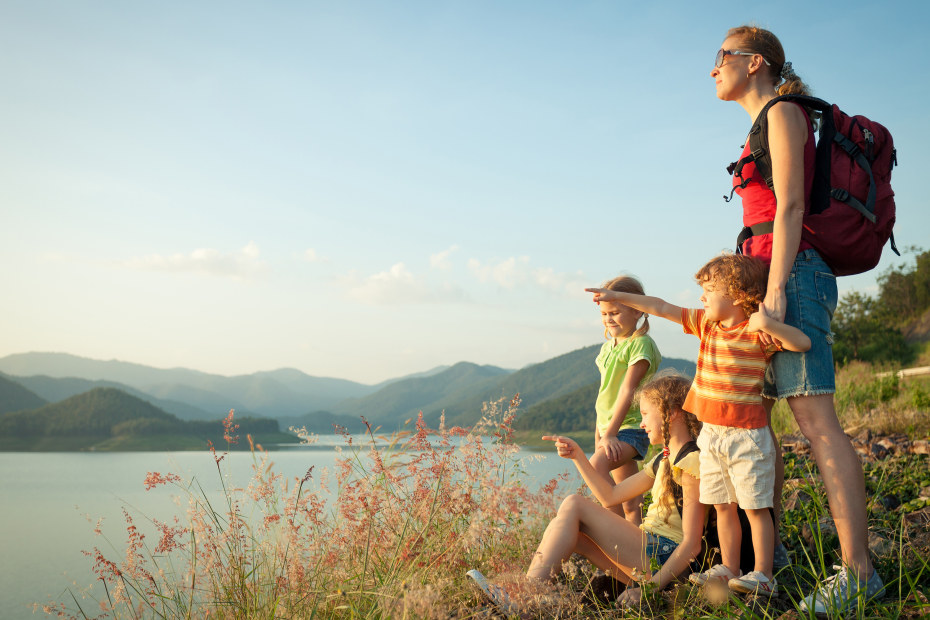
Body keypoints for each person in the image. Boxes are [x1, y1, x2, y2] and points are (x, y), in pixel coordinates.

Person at [710, 25, 885, 613]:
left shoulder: (783, 112)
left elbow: (788, 205)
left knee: (817, 423)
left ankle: (859, 573)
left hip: (792, 281)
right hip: (763, 280)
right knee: (757, 426)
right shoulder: (759, 124)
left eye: (722, 57)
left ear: (754, 62)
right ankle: (771, 560)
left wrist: (777, 291)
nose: (714, 69)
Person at [586, 253, 811, 597]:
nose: (702, 298)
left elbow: (802, 343)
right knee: (723, 505)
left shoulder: (756, 332)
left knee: (754, 507)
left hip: (747, 436)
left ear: (736, 295)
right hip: (711, 436)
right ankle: (729, 568)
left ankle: (764, 573)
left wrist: (769, 325)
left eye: (709, 290)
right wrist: (617, 297)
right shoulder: (707, 325)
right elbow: (660, 306)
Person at [467, 373, 704, 612]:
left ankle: (524, 595)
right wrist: (578, 457)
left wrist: (649, 588)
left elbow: (692, 544)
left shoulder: (690, 462)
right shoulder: (662, 460)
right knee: (571, 532)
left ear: (672, 413)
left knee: (574, 504)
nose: (641, 424)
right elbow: (610, 496)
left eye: (644, 414)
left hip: (665, 560)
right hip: (649, 554)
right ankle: (527, 601)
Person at [589, 275, 661, 524]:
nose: (608, 319)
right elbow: (604, 393)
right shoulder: (608, 348)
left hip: (629, 427)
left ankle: (616, 536)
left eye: (615, 312)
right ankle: (634, 552)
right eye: (604, 313)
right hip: (610, 428)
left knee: (595, 467)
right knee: (630, 501)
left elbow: (627, 390)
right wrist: (600, 432)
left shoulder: (640, 344)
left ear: (636, 310)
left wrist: (610, 433)